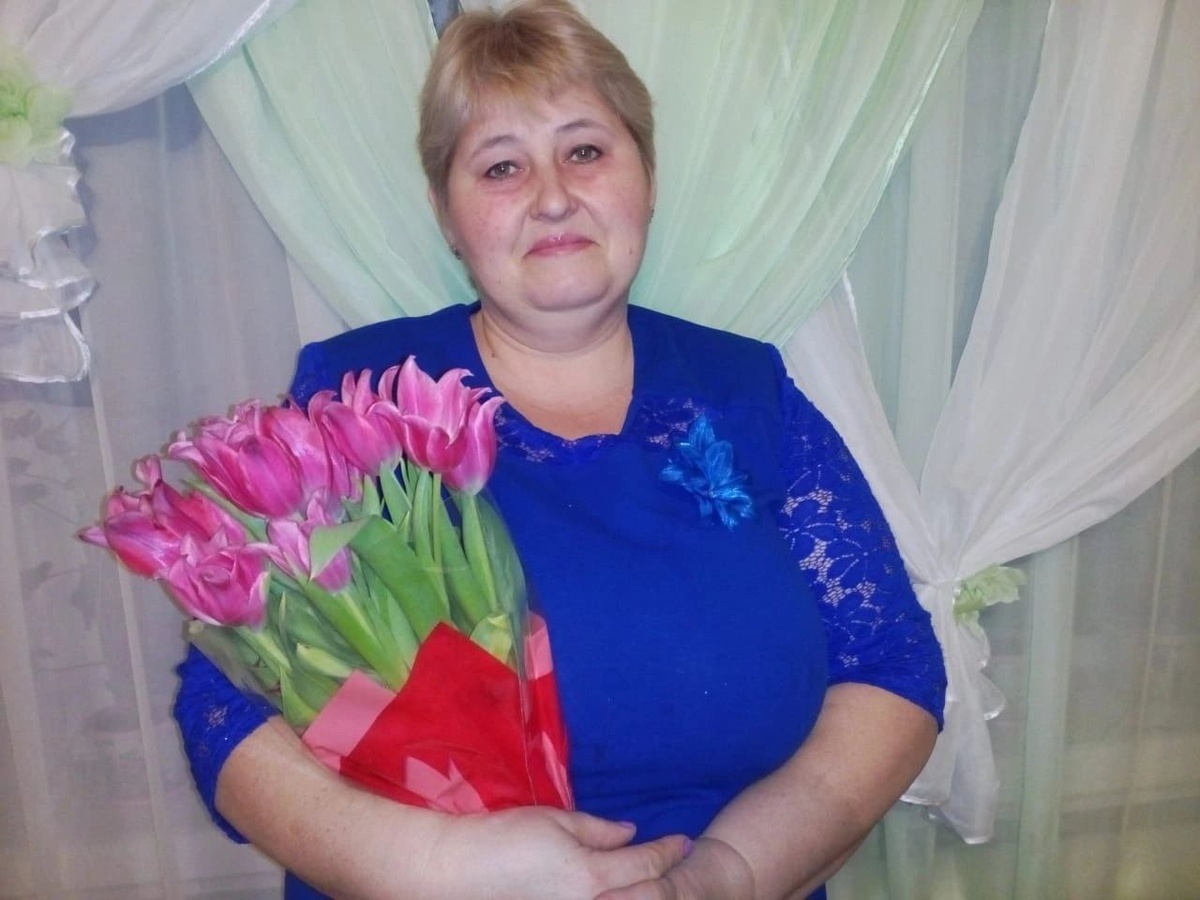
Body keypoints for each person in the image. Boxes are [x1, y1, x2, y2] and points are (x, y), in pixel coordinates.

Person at [172, 1, 946, 897]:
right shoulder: (359, 398)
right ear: (447, 216)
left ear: (646, 180)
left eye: (585, 150)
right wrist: (438, 868)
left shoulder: (747, 388)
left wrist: (725, 876)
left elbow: (891, 665)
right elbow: (225, 697)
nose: (551, 196)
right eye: (501, 166)